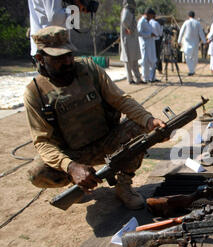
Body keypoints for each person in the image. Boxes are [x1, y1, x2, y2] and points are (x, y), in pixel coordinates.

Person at [24, 26, 167, 210]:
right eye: (58, 58)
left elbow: (121, 100)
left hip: (108, 142)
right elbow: (42, 142)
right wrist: (71, 167)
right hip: (72, 154)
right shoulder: (35, 92)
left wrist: (149, 120)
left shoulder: (89, 70)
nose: (67, 61)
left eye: (69, 54)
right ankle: (78, 183)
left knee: (138, 128)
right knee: (38, 172)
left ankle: (123, 185)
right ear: (40, 58)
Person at [120, 0, 144, 84]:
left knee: (134, 60)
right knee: (128, 60)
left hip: (133, 38)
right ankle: (130, 79)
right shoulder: (126, 11)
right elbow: (124, 21)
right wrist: (128, 28)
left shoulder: (130, 11)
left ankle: (138, 78)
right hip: (128, 39)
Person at [178, 11, 206, 76]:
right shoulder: (197, 23)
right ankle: (192, 70)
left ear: (188, 16)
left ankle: (191, 70)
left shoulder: (186, 22)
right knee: (195, 57)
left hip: (187, 43)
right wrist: (204, 41)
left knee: (187, 57)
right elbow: (201, 33)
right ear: (194, 16)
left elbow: (181, 32)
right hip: (195, 42)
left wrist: (179, 41)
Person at [137, 8, 159, 83]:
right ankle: (145, 78)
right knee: (144, 61)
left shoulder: (148, 22)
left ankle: (152, 77)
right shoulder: (141, 21)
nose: (152, 18)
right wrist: (149, 35)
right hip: (144, 44)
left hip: (150, 44)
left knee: (152, 60)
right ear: (148, 15)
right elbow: (139, 33)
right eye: (151, 16)